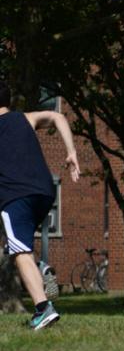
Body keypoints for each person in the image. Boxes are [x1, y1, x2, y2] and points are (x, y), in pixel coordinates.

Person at [0, 81, 80, 330]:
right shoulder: (26, 117)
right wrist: (71, 152)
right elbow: (58, 116)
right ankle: (40, 268)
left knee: (19, 251)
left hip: (15, 195)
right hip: (44, 192)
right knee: (18, 244)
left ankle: (43, 309)